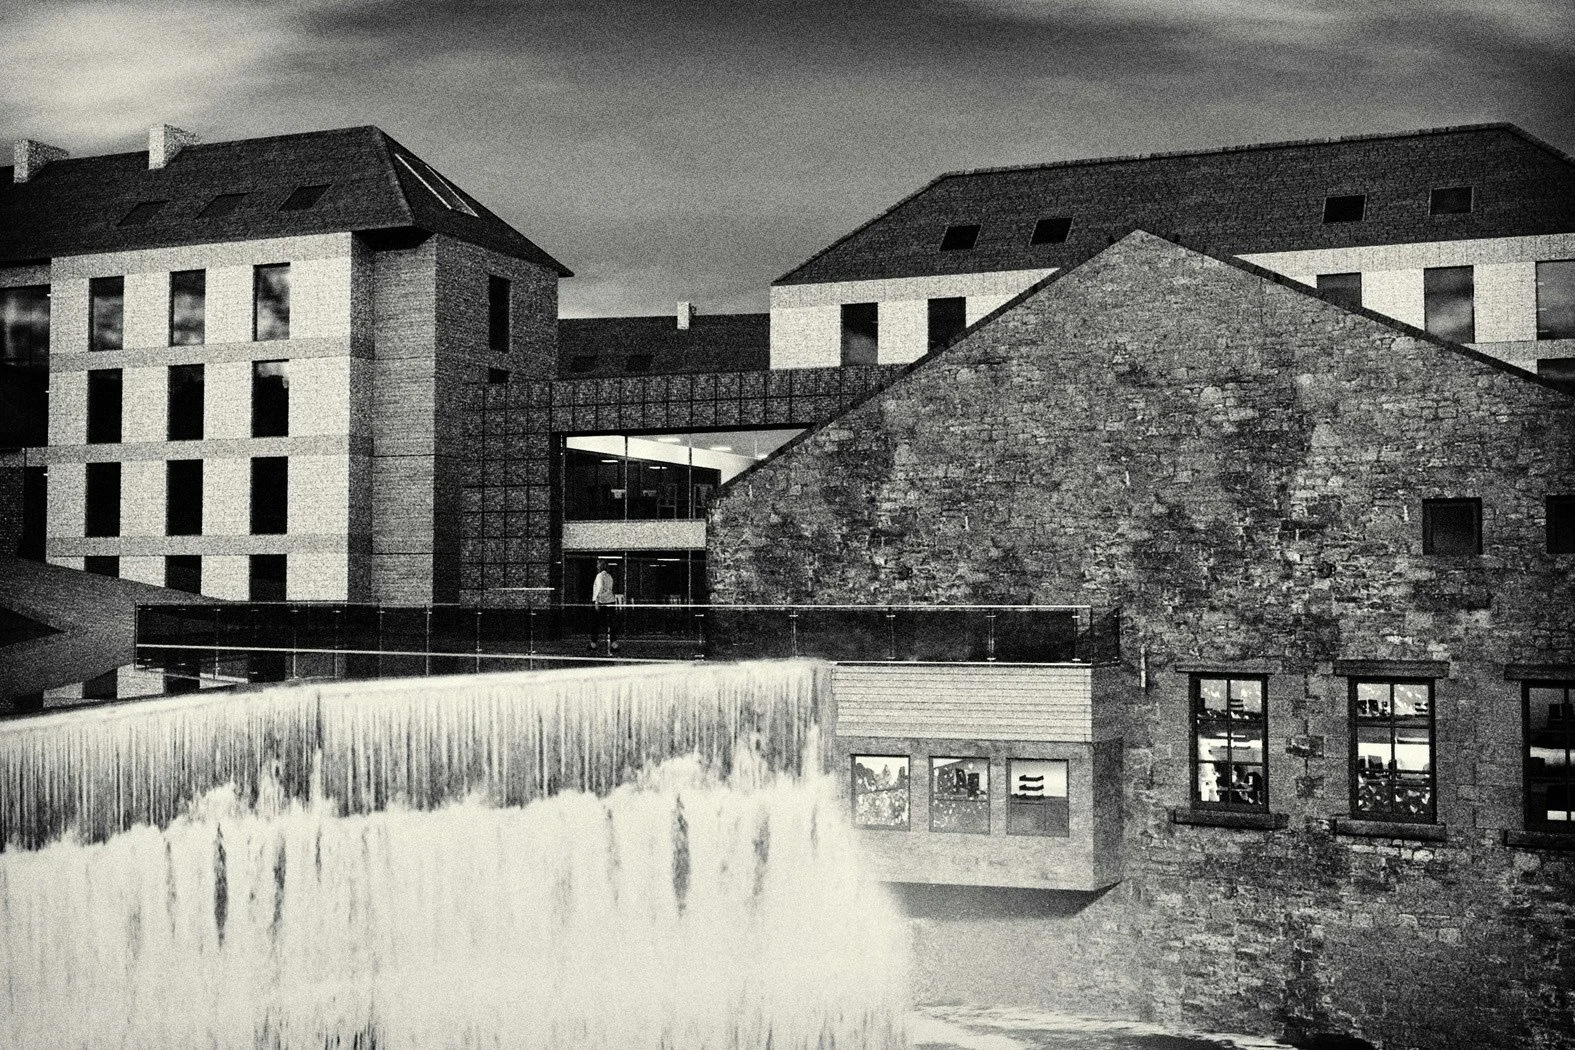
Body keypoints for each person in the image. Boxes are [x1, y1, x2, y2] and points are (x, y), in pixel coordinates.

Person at [590, 561, 619, 652]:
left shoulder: (599, 576)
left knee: (595, 623)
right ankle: (614, 644)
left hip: (601, 602)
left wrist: (597, 600)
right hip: (610, 601)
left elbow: (599, 588)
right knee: (611, 623)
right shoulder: (609, 576)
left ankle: (593, 644)